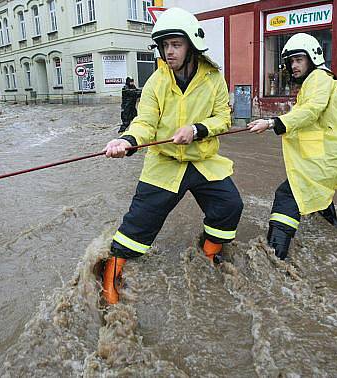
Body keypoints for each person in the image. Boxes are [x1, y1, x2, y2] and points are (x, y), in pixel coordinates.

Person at [101, 8, 243, 304]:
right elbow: (145, 122)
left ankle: (209, 253)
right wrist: (127, 140)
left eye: (176, 44)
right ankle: (110, 278)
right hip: (164, 163)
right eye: (165, 45)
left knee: (230, 205)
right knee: (137, 225)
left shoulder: (214, 78)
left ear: (191, 45)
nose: (169, 52)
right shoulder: (156, 82)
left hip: (203, 161)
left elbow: (224, 119)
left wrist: (197, 128)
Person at [247, 33, 337, 262]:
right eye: (291, 61)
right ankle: (334, 226)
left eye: (299, 60)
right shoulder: (316, 82)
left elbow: (311, 111)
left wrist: (273, 122)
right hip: (333, 151)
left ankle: (275, 255)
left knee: (288, 194)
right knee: (315, 188)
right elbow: (308, 116)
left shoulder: (319, 79)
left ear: (313, 58)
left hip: (330, 152)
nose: (294, 66)